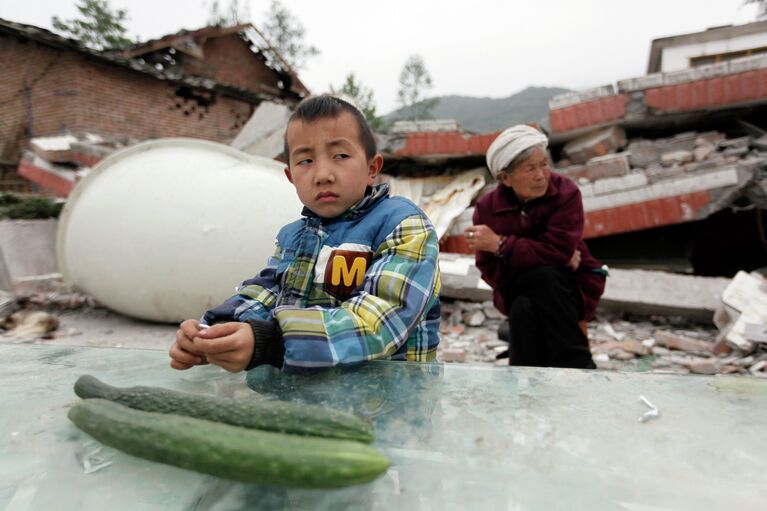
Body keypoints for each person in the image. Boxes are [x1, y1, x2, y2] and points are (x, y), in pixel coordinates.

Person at [168, 95, 441, 374]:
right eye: (306, 160)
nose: (322, 174)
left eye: (341, 156)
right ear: (290, 176)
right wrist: (212, 333)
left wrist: (272, 342)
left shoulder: (402, 225)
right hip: (308, 394)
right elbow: (266, 292)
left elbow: (379, 321)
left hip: (390, 402)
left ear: (372, 169)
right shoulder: (293, 236)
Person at [464, 124, 606, 369]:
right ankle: (578, 364)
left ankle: (524, 376)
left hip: (573, 283)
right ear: (506, 178)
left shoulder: (566, 193)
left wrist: (500, 244)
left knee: (529, 300)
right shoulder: (487, 209)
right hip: (515, 285)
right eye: (530, 168)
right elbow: (489, 268)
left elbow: (559, 250)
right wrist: (549, 257)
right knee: (540, 280)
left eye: (544, 164)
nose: (541, 175)